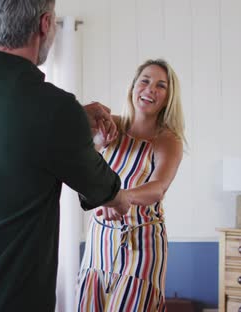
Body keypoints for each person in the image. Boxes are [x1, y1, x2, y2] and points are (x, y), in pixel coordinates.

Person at [0, 0, 132, 311]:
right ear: (45, 23)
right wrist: (122, 200)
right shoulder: (55, 109)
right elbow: (106, 191)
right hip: (11, 301)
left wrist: (74, 119)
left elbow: (1, 126)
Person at [75, 59, 186, 311]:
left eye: (161, 86)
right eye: (144, 81)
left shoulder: (168, 140)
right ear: (133, 87)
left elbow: (159, 187)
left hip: (142, 243)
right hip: (100, 240)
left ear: (169, 98)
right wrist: (98, 145)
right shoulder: (109, 125)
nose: (150, 89)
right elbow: (80, 166)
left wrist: (120, 196)